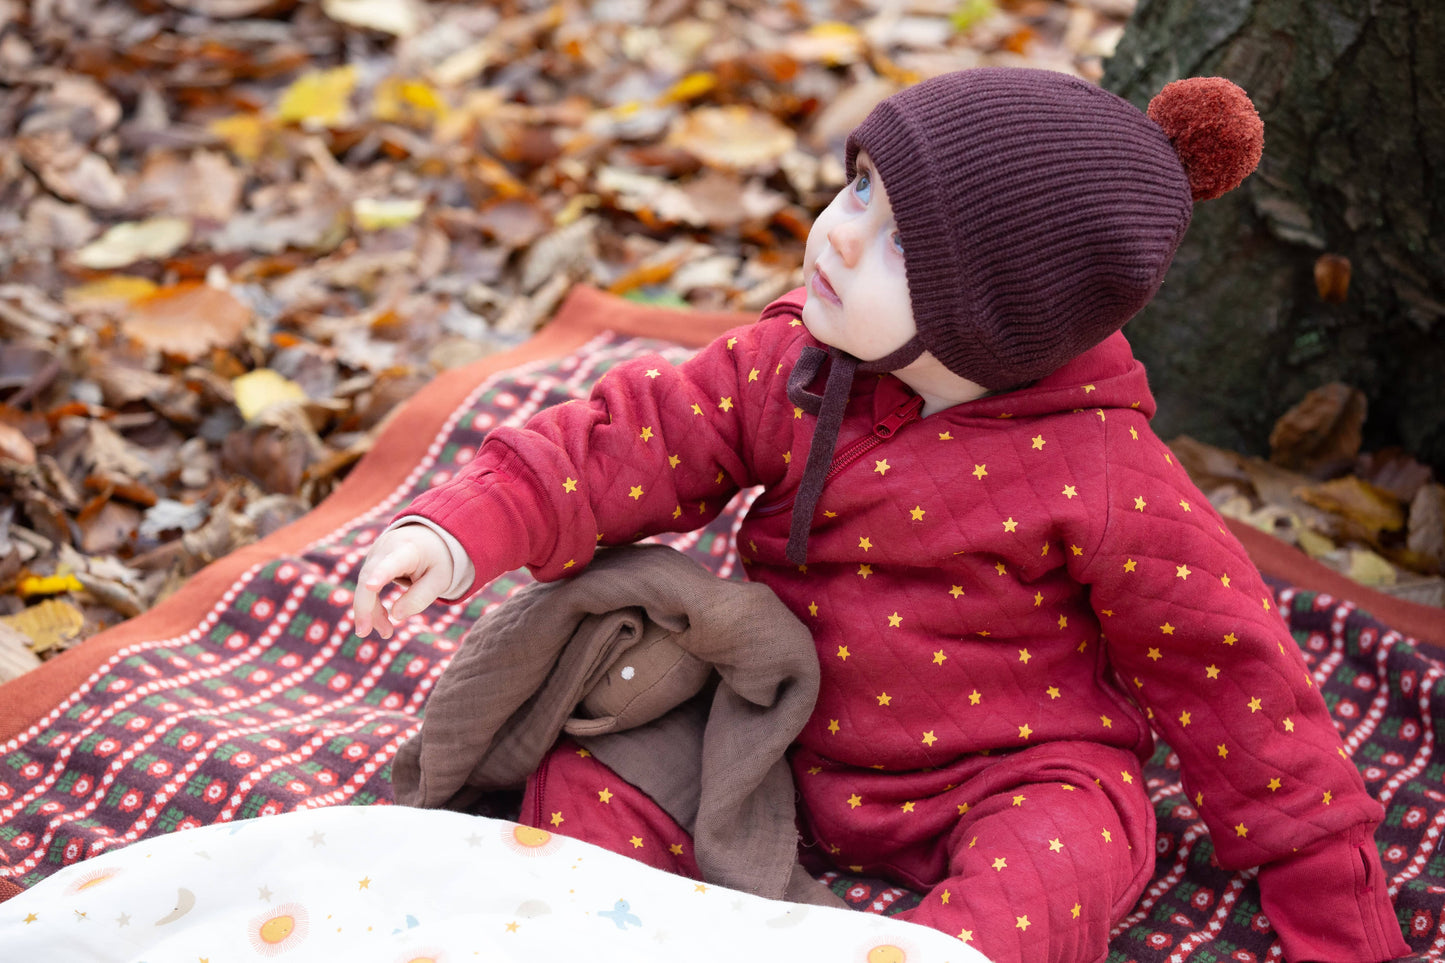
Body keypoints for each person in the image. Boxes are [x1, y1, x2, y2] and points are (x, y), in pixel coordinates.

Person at [352, 68, 1409, 963]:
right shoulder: (796, 365)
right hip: (768, 718)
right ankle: (582, 932)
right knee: (591, 776)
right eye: (859, 186)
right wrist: (460, 530)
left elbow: (1233, 681)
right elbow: (631, 436)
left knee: (1067, 855)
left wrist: (1334, 909)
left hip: (1008, 768)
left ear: (1003, 316)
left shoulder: (1105, 475)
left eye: (903, 243)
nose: (839, 236)